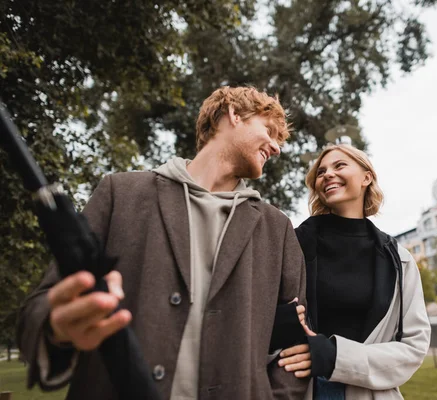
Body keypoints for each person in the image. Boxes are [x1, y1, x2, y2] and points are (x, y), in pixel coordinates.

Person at [16, 86, 309, 400]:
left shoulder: (276, 228)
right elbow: (41, 306)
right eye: (269, 130)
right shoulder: (121, 193)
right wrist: (58, 328)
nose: (276, 148)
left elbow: (296, 345)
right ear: (233, 115)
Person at [277, 143, 431, 399]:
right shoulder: (292, 247)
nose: (327, 174)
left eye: (339, 166)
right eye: (321, 171)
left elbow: (414, 347)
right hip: (298, 389)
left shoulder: (399, 260)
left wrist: (335, 356)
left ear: (366, 178)